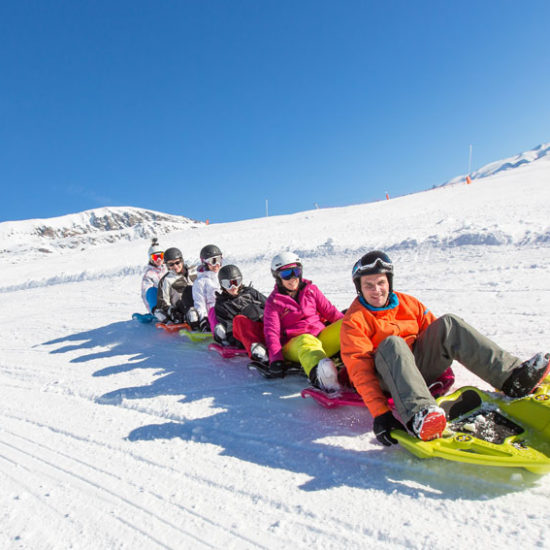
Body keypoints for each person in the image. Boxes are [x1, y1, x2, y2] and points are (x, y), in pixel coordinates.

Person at [340, 250, 550, 445]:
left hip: (416, 367)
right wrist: (380, 413)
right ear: (359, 287)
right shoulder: (354, 321)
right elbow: (360, 371)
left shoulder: (408, 303)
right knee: (393, 343)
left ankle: (512, 378)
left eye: (381, 283)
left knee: (449, 323)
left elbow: (436, 335)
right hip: (386, 377)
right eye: (369, 285)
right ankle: (420, 416)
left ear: (389, 282)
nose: (377, 290)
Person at [263, 252, 344, 388]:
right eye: (286, 274)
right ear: (277, 277)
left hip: (320, 339)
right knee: (306, 339)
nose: (293, 277)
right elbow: (272, 333)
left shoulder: (311, 290)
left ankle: (369, 360)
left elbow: (331, 313)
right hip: (295, 345)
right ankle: (321, 378)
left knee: (348, 323)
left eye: (296, 271)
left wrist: (348, 325)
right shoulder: (274, 302)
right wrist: (276, 360)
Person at [213, 265, 268, 361]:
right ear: (222, 285)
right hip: (248, 334)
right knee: (239, 320)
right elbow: (230, 330)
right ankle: (259, 352)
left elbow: (270, 306)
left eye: (235, 282)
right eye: (228, 284)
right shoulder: (222, 304)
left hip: (266, 326)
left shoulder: (250, 292)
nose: (233, 287)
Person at [154, 247, 197, 324]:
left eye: (177, 262)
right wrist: (172, 311)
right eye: (171, 264)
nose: (175, 266)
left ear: (182, 261)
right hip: (182, 307)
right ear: (167, 265)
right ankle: (192, 318)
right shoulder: (166, 280)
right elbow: (163, 303)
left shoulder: (194, 272)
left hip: (200, 302)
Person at [192, 244, 223, 332]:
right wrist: (203, 320)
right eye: (213, 261)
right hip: (212, 316)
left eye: (219, 260)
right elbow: (199, 304)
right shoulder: (200, 282)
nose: (217, 264)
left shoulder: (223, 276)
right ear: (205, 262)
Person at [141, 238, 167, 313]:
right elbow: (145, 295)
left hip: (171, 300)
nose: (158, 259)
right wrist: (151, 310)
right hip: (158, 304)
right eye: (155, 257)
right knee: (151, 290)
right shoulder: (149, 274)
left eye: (160, 256)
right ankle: (158, 312)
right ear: (151, 259)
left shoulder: (169, 269)